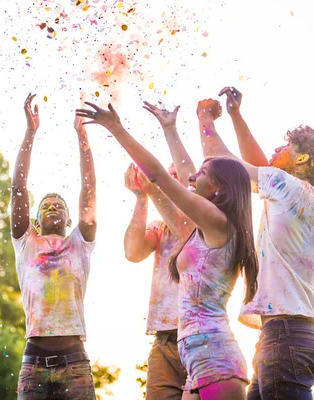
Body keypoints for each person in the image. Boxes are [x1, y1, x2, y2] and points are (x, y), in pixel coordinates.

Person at [76, 101, 259, 400]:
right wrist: (170, 129)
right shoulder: (202, 229)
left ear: (218, 189)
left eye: (201, 174)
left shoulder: (218, 223)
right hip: (197, 357)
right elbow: (182, 174)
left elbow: (160, 175)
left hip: (215, 358)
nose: (191, 177)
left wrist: (116, 129)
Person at [199, 87, 314, 399]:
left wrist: (205, 119)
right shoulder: (305, 199)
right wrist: (236, 117)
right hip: (284, 336)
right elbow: (260, 169)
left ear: (301, 158)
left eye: (287, 145)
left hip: (286, 338)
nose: (278, 147)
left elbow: (226, 168)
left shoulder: (288, 189)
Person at [11, 93, 97, 400]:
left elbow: (89, 190)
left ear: (69, 217)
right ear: (34, 220)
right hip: (33, 363)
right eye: (46, 205)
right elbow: (18, 187)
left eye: (58, 204)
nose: (52, 207)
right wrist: (30, 132)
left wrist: (82, 136)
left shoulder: (79, 244)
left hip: (75, 362)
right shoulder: (27, 244)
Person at [123, 101, 194, 400]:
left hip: (199, 335)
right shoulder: (159, 226)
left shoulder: (201, 221)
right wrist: (141, 197)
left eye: (174, 177)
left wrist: (152, 189)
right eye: (165, 177)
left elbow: (184, 229)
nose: (167, 182)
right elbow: (133, 252)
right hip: (164, 340)